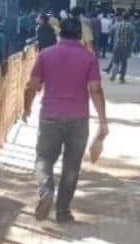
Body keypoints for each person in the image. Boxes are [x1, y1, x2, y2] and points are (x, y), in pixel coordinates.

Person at [22, 17, 108, 224]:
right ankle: (63, 212)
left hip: (50, 115)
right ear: (80, 35)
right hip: (78, 118)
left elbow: (31, 85)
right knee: (71, 166)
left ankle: (45, 189)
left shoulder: (46, 54)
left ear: (59, 34)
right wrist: (103, 120)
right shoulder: (88, 58)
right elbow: (95, 90)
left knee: (43, 159)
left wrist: (26, 108)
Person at [107, 15, 137, 83]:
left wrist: (114, 38)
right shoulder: (131, 26)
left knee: (115, 60)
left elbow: (110, 32)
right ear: (129, 18)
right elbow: (133, 37)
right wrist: (131, 45)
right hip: (126, 46)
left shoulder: (117, 25)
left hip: (117, 45)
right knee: (124, 62)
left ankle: (113, 75)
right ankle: (121, 78)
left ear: (122, 18)